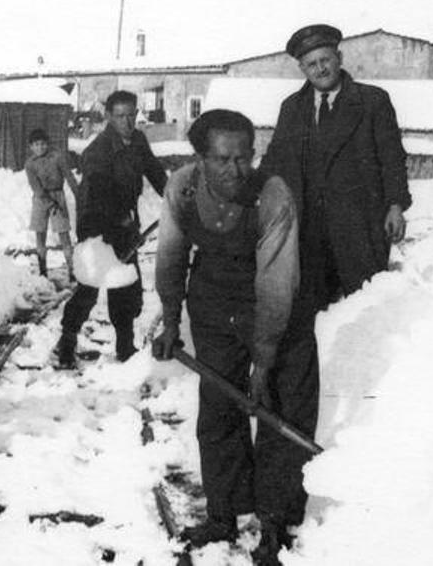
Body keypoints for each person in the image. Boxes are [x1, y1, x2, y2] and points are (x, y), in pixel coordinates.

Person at [151, 110, 317, 565]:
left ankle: (275, 522)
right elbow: (170, 255)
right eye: (222, 159)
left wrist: (263, 360)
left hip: (278, 306)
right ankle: (223, 514)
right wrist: (169, 317)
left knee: (278, 406)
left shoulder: (273, 195)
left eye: (244, 157)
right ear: (201, 158)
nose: (235, 170)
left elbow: (277, 283)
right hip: (215, 299)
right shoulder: (182, 187)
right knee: (220, 405)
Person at [264, 24, 412, 310]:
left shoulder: (372, 101)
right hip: (308, 233)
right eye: (311, 64)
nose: (320, 69)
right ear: (302, 69)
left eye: (325, 60)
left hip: (361, 226)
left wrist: (395, 205)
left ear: (339, 58)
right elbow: (275, 160)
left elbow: (392, 158)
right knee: (311, 312)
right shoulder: (291, 108)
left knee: (364, 307)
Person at [55, 90, 167, 367]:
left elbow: (154, 172)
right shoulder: (98, 152)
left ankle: (125, 347)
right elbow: (97, 195)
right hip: (97, 226)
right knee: (88, 290)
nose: (128, 122)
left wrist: (174, 197)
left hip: (125, 224)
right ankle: (66, 343)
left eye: (132, 115)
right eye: (120, 116)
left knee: (127, 289)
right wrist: (117, 222)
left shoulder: (138, 141)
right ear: (108, 117)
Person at [23, 128, 79, 279]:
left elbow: (69, 177)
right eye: (36, 145)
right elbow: (36, 187)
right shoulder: (30, 164)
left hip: (58, 196)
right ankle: (42, 270)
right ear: (31, 147)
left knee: (64, 234)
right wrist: (50, 203)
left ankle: (72, 270)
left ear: (47, 144)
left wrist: (79, 196)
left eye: (42, 144)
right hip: (40, 200)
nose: (40, 148)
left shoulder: (57, 157)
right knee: (40, 234)